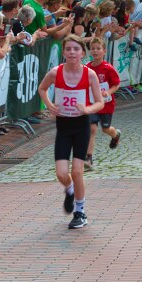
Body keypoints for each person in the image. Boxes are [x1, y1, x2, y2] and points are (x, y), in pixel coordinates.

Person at [35, 38, 104, 230]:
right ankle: (69, 189)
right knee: (61, 173)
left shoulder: (89, 74)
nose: (72, 52)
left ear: (83, 53)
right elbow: (42, 88)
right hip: (63, 127)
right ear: (63, 52)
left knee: (77, 171)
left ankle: (80, 212)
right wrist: (49, 105)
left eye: (76, 49)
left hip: (81, 126)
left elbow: (100, 102)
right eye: (68, 49)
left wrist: (87, 109)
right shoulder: (55, 72)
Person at [83, 37, 122, 170]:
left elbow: (116, 84)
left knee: (105, 129)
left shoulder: (108, 68)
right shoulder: (87, 68)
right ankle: (88, 159)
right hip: (92, 104)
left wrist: (109, 92)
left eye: (98, 49)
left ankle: (115, 135)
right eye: (93, 49)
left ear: (104, 51)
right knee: (92, 129)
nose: (95, 51)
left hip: (106, 105)